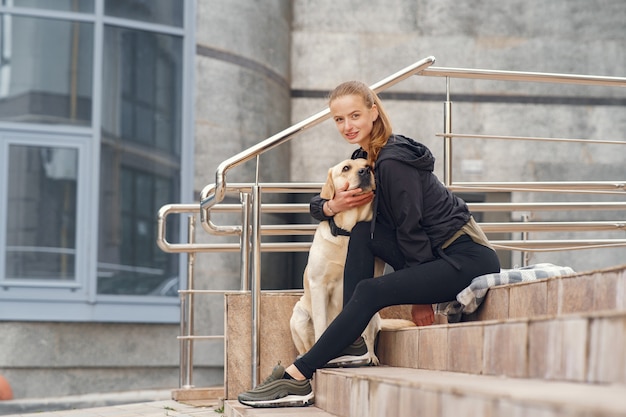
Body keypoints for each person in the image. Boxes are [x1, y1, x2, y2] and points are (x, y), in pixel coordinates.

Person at [238, 80, 501, 408]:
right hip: (434, 255)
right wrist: (331, 206)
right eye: (338, 119)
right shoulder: (364, 159)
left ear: (374, 113)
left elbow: (411, 226)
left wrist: (421, 298)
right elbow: (319, 204)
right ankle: (353, 346)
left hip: (465, 256)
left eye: (355, 115)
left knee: (369, 291)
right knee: (363, 232)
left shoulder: (392, 161)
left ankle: (299, 375)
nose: (347, 126)